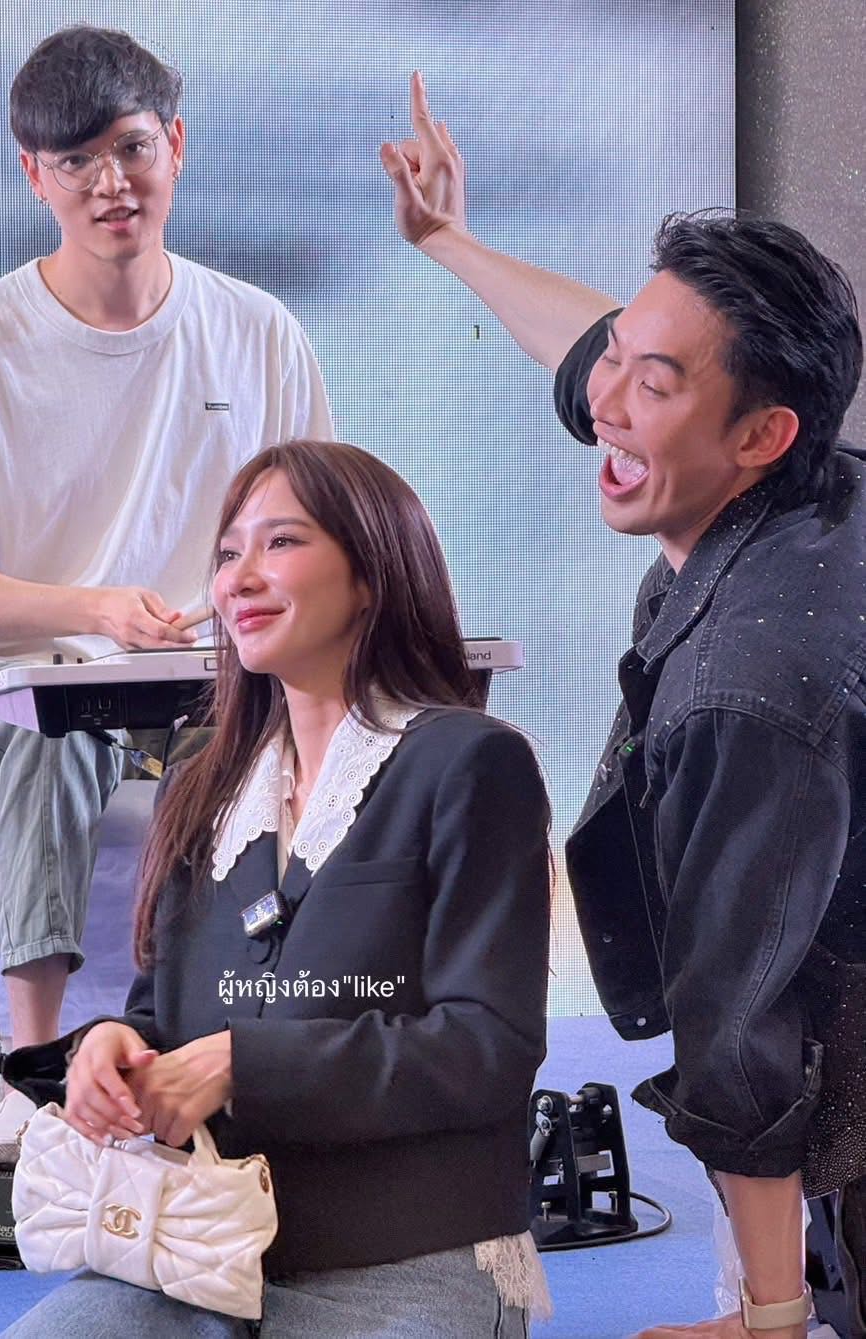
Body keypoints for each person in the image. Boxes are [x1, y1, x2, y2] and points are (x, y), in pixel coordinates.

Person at [381, 71, 866, 1339]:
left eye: (653, 384)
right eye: (619, 361)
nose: (605, 399)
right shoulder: (808, 478)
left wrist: (766, 1320)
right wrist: (448, 241)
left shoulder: (746, 685)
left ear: (759, 433)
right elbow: (592, 348)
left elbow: (738, 1021)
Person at [0, 439, 553, 1338]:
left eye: (281, 542)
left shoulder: (472, 763)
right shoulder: (203, 788)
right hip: (199, 1254)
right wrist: (111, 1048)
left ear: (371, 573)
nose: (239, 579)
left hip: (407, 1258)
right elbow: (160, 1016)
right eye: (228, 554)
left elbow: (486, 1047)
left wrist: (240, 1064)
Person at [0, 26, 332, 1079]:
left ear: (176, 144)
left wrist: (248, 603)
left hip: (210, 675)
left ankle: (243, 1046)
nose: (110, 184)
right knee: (59, 735)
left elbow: (318, 529)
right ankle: (35, 1062)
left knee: (293, 744)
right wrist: (95, 612)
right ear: (34, 175)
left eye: (131, 148)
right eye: (75, 161)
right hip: (10, 689)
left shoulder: (259, 330)